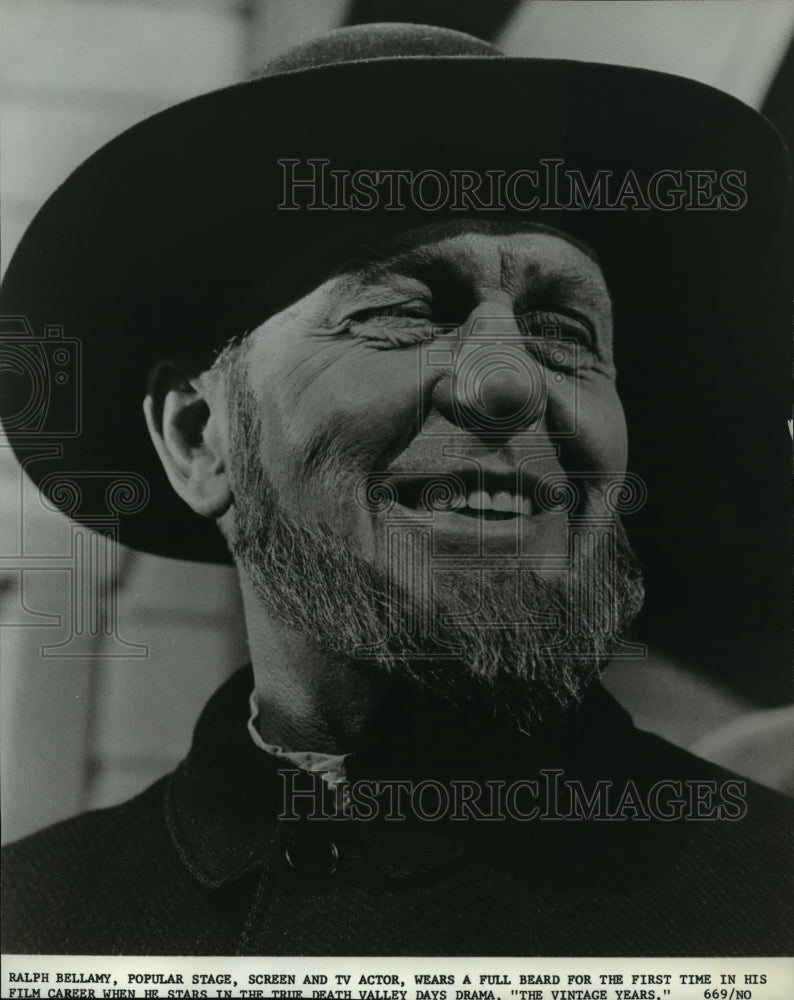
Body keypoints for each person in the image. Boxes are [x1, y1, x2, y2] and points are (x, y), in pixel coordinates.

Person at [1, 23, 791, 956]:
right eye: (402, 312)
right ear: (198, 437)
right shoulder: (37, 927)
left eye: (565, 330)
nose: (509, 384)